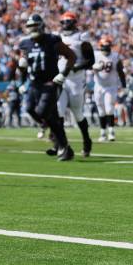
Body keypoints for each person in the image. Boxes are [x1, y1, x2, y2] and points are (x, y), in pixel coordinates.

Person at [17, 14, 76, 161]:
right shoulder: (25, 43)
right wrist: (21, 78)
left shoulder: (52, 40)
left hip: (51, 83)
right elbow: (24, 66)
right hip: (34, 83)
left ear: (42, 26)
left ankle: (62, 145)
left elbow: (71, 56)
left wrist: (63, 74)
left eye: (35, 26)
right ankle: (61, 144)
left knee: (43, 112)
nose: (33, 29)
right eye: (30, 26)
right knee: (32, 110)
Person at [54, 11, 95, 157]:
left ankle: (86, 141)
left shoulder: (81, 37)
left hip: (76, 80)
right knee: (58, 111)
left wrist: (75, 67)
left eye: (68, 21)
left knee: (77, 113)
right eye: (63, 21)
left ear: (74, 22)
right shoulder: (57, 37)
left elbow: (91, 61)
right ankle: (62, 145)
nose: (65, 24)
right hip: (61, 79)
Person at [93, 36, 126, 142]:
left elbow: (121, 71)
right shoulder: (96, 55)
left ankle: (111, 132)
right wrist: (93, 67)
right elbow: (87, 65)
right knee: (101, 110)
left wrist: (123, 84)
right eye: (104, 47)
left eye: (108, 47)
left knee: (109, 109)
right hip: (99, 86)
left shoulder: (115, 56)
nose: (106, 49)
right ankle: (103, 133)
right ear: (100, 47)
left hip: (111, 87)